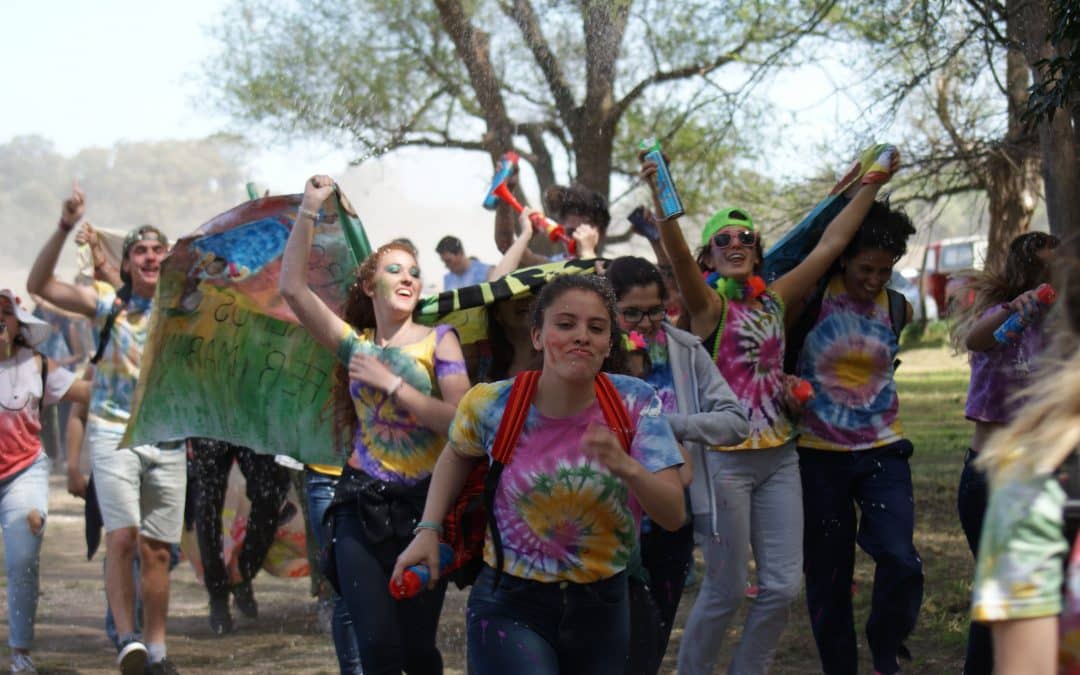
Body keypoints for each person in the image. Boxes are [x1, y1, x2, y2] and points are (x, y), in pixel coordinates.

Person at [641, 144, 899, 674]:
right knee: (726, 588)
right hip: (725, 464)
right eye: (723, 240)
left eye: (746, 238)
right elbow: (676, 259)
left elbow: (830, 244)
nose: (736, 243)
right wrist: (662, 201)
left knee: (782, 586)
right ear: (710, 257)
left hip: (781, 455)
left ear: (757, 253)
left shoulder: (776, 300)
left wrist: (871, 180)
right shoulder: (708, 308)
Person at [393, 273, 686, 675]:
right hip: (509, 603)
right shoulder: (491, 403)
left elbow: (673, 513)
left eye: (596, 328)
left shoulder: (636, 403)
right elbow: (457, 454)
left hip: (604, 607)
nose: (581, 335)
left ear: (607, 345)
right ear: (537, 335)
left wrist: (625, 466)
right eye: (565, 324)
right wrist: (428, 528)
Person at [280, 174, 470, 674]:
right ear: (370, 284)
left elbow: (461, 423)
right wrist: (309, 208)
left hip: (424, 509)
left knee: (416, 651)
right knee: (379, 650)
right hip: (358, 504)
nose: (408, 278)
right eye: (394, 269)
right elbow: (293, 289)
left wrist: (393, 385)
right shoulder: (355, 345)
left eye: (414, 271)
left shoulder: (440, 341)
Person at [27, 183, 184, 675]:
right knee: (122, 540)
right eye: (141, 250)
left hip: (171, 438)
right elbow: (41, 286)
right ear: (128, 261)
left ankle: (157, 652)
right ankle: (127, 640)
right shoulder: (105, 303)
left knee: (158, 552)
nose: (151, 256)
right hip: (115, 434)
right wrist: (64, 226)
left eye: (159, 250)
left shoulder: (186, 309)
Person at [792, 202, 921, 675]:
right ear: (843, 258)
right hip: (818, 456)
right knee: (828, 576)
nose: (875, 279)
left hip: (884, 449)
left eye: (885, 270)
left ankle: (886, 645)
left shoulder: (897, 306)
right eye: (866, 268)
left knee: (901, 558)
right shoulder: (812, 298)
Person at [606, 256, 749, 674]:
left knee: (651, 639)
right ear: (610, 309)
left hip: (670, 521)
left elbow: (735, 421)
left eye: (655, 310)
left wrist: (670, 426)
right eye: (632, 312)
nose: (646, 322)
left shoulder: (684, 350)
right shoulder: (594, 352)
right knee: (605, 645)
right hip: (606, 526)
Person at [948, 231, 1060, 673]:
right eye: (1045, 267)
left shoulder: (1062, 328)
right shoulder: (1001, 317)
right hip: (989, 476)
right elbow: (976, 340)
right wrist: (1017, 308)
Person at [970, 252, 1080, 675]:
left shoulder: (1053, 327)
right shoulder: (1009, 316)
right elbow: (976, 340)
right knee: (991, 606)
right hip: (997, 467)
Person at [1, 289, 90, 674]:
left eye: (4, 313)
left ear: (18, 323)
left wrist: (114, 367)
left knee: (22, 556)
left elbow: (88, 393)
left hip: (24, 471)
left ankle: (20, 652)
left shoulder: (37, 365)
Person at [188, 438, 290, 635]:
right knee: (207, 504)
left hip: (250, 414)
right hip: (209, 421)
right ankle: (218, 594)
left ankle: (243, 570)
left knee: (268, 492)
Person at [495, 181, 609, 266]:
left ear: (601, 233)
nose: (576, 239)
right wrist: (507, 192)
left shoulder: (612, 271)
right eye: (570, 233)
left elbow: (600, 285)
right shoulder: (551, 266)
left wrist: (587, 254)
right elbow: (507, 247)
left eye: (584, 233)